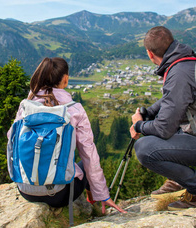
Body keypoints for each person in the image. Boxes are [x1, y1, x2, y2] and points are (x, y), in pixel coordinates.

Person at [130, 26, 196, 210]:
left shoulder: (179, 72)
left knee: (145, 148)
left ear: (150, 54)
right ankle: (177, 180)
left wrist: (139, 126)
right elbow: (171, 99)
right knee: (163, 130)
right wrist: (148, 113)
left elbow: (163, 128)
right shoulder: (185, 61)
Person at [8, 57, 126, 214]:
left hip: (25, 190)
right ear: (65, 79)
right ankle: (95, 201)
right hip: (60, 195)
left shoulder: (26, 105)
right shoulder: (74, 109)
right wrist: (103, 194)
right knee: (84, 164)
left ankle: (92, 201)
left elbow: (11, 138)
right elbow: (88, 154)